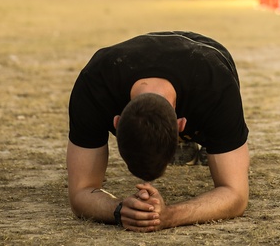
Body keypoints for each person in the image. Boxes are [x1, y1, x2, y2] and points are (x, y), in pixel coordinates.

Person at [66, 31, 249, 232]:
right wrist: (120, 210)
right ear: (116, 122)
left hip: (205, 51)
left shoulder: (215, 85)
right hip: (125, 59)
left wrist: (170, 215)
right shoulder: (94, 83)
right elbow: (80, 192)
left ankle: (204, 142)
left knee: (216, 138)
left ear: (181, 125)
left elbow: (236, 195)